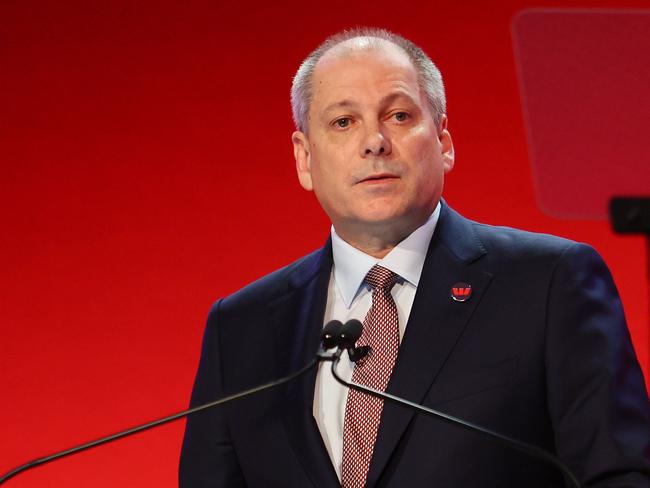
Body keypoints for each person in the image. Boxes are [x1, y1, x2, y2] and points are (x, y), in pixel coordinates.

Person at [179, 28, 649, 487]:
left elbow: (619, 473)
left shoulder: (548, 283)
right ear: (304, 159)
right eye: (343, 122)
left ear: (443, 143)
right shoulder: (242, 327)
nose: (374, 142)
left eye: (399, 116)